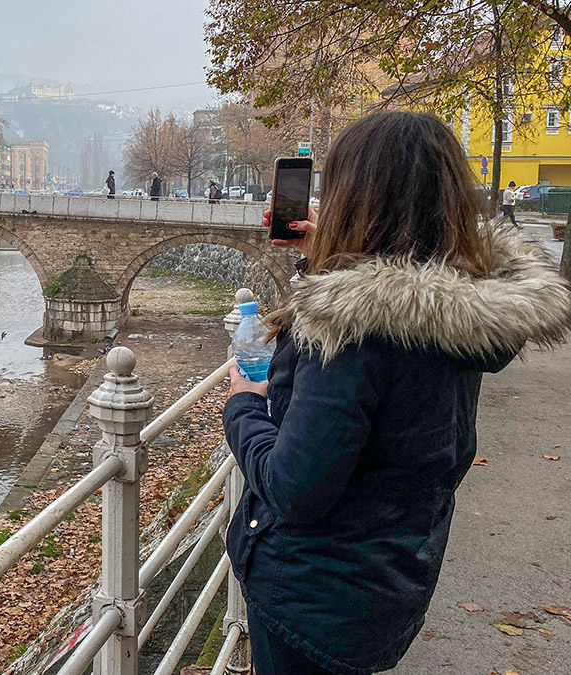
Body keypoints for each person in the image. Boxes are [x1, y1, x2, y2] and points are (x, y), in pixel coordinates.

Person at [224, 111, 571, 674]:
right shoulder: (459, 315)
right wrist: (330, 254)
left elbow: (294, 489)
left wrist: (243, 407)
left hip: (312, 599)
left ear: (354, 198)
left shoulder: (349, 332)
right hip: (386, 581)